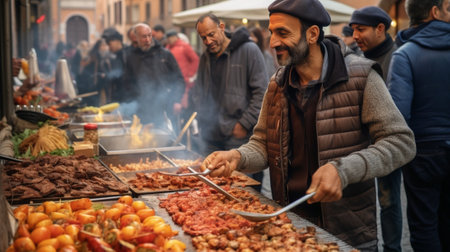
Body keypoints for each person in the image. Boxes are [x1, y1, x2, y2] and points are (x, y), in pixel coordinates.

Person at [200, 0, 416, 250]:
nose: (273, 42)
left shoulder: (360, 75)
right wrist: (237, 157)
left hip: (346, 231)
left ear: (312, 34)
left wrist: (343, 170)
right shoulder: (277, 83)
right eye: (272, 33)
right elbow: (262, 144)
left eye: (283, 32)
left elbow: (402, 142)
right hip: (290, 226)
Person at [387, 0, 450, 251]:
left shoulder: (404, 54)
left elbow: (399, 114)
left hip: (423, 152)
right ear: (434, 12)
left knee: (424, 225)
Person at [190, 14, 268, 190]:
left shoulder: (249, 50)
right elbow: (199, 90)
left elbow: (262, 92)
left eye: (211, 34)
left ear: (222, 27)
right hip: (210, 134)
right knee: (212, 188)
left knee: (240, 189)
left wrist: (244, 123)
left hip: (237, 135)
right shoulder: (205, 57)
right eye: (203, 37)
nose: (208, 41)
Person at [349, 6, 402, 252]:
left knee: (389, 202)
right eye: (353, 30)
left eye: (361, 29)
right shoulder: (358, 58)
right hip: (363, 144)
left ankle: (392, 248)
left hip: (388, 144)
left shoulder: (397, 57)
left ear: (380, 29)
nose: (355, 35)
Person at [124, 23, 184, 128]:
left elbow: (179, 79)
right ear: (136, 38)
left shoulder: (165, 54)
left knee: (169, 139)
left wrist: (177, 100)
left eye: (149, 35)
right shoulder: (131, 57)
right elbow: (128, 84)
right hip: (143, 108)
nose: (147, 40)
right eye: (143, 37)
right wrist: (132, 104)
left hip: (166, 106)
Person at [165, 30, 199, 114]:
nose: (169, 40)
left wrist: (190, 74)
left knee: (183, 103)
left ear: (176, 37)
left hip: (184, 80)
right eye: (168, 38)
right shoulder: (167, 48)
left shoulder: (184, 46)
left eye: (171, 38)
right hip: (171, 81)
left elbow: (195, 59)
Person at [76, 39, 111, 106]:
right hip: (92, 82)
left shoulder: (105, 55)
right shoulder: (93, 56)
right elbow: (86, 68)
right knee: (93, 102)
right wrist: (95, 75)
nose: (104, 47)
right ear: (99, 47)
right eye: (102, 46)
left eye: (105, 45)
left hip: (101, 81)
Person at [102, 28, 127, 103]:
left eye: (109, 44)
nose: (109, 48)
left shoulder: (127, 55)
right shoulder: (115, 56)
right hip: (117, 98)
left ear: (117, 41)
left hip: (126, 99)